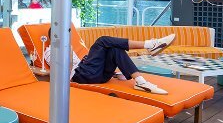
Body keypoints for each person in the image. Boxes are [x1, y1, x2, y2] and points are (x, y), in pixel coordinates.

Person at [48, 34, 176, 94]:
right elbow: (63, 71)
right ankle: (149, 45)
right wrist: (66, 52)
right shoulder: (49, 50)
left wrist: (114, 73)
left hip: (96, 74)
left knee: (115, 48)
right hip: (80, 77)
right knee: (102, 40)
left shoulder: (67, 46)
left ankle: (141, 82)